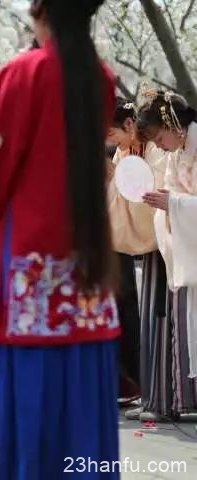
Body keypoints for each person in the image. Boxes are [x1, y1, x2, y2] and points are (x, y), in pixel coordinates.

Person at [0, 0, 119, 477]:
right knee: (85, 412)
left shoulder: (24, 73)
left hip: (34, 268)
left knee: (33, 410)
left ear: (40, 10)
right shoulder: (101, 77)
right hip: (87, 267)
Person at [106, 97, 169, 408]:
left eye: (111, 134)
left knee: (163, 315)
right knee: (138, 312)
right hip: (139, 240)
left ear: (129, 124)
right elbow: (120, 196)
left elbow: (152, 194)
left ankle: (165, 389)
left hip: (166, 239)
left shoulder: (158, 148)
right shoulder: (124, 150)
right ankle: (146, 386)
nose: (111, 141)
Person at [138, 90, 197, 420]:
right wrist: (168, 203)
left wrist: (173, 204)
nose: (159, 146)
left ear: (173, 125)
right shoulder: (176, 154)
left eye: (160, 137)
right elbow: (177, 194)